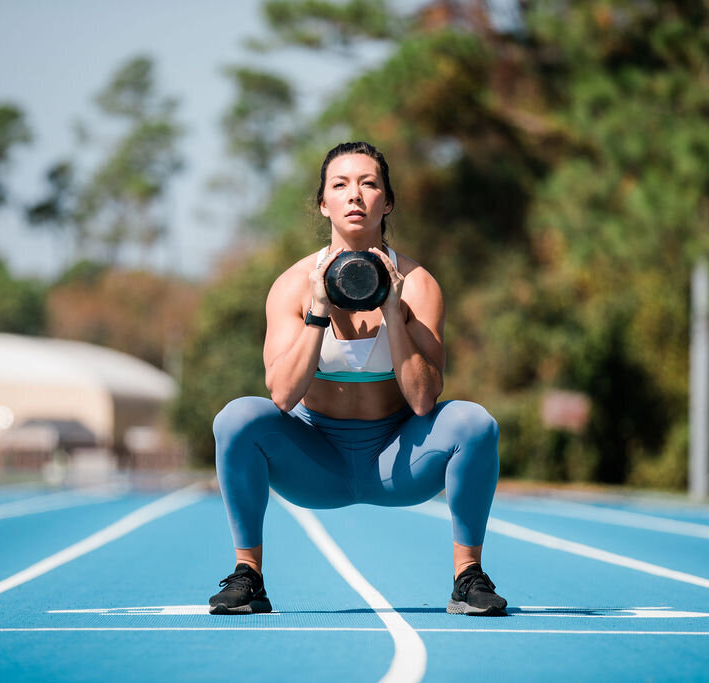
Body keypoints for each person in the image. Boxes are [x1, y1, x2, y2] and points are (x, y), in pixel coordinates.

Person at [209, 141, 506, 616]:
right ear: (323, 202)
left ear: (386, 202)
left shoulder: (420, 285)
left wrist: (393, 311)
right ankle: (249, 576)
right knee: (238, 417)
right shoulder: (292, 285)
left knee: (475, 423)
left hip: (397, 462)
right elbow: (282, 395)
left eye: (369, 184)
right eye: (340, 185)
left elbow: (425, 399)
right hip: (315, 463)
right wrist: (316, 314)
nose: (355, 195)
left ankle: (467, 578)